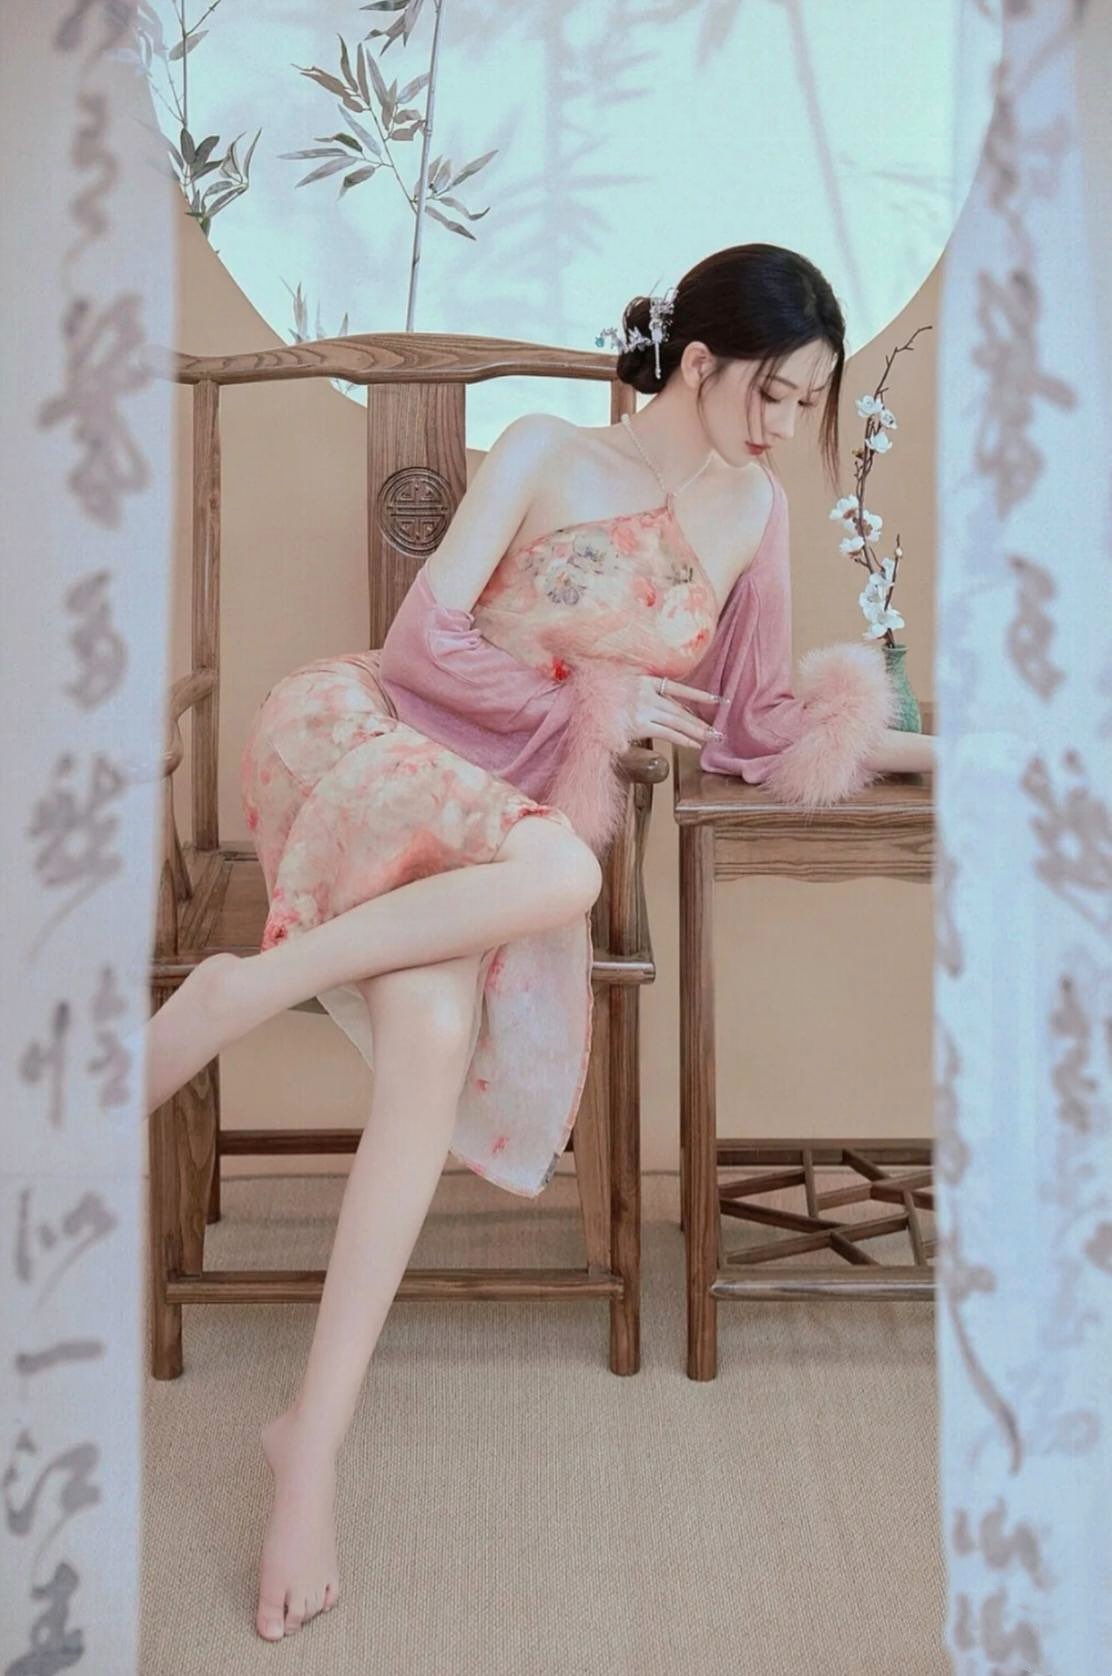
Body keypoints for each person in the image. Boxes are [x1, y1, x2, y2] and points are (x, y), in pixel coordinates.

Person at [141, 242, 935, 1640]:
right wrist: (594, 704)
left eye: (810, 403)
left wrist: (941, 748)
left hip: (501, 842)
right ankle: (239, 993)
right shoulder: (544, 452)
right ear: (701, 361)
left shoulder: (754, 514)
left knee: (441, 1027)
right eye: (774, 393)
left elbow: (753, 727)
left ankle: (307, 1440)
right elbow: (420, 647)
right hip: (375, 746)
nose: (784, 427)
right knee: (564, 875)